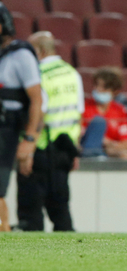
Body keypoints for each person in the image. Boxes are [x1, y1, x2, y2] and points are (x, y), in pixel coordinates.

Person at [16, 32, 83, 232]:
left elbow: (39, 114)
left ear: (41, 51)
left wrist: (27, 150)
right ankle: (72, 258)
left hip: (41, 150)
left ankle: (31, 259)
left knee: (30, 212)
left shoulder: (38, 74)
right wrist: (75, 152)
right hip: (65, 151)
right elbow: (78, 114)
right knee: (61, 209)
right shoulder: (72, 73)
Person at [0, 4, 42, 232]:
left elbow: (36, 100)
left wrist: (29, 138)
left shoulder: (20, 56)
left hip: (7, 129)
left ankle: (3, 229)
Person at [81, 67, 127, 160]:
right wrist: (105, 141)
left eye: (104, 87)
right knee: (98, 122)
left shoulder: (120, 110)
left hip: (109, 152)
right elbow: (80, 135)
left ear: (114, 91)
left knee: (125, 155)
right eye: (96, 85)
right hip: (88, 150)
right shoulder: (84, 107)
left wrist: (110, 147)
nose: (99, 89)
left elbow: (125, 144)